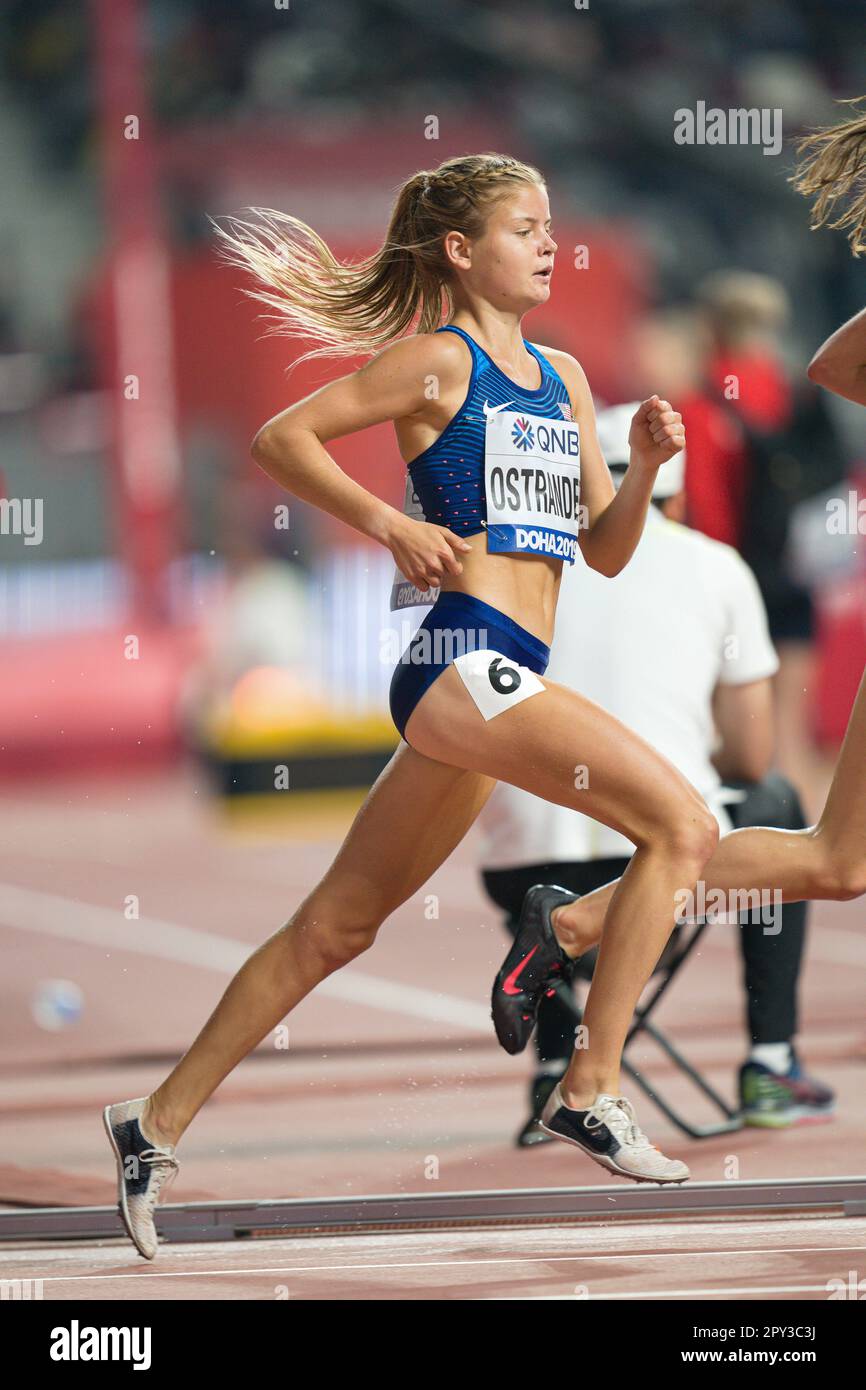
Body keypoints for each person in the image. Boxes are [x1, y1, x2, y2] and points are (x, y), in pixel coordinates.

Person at [102, 152, 865, 1263]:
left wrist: (646, 459)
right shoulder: (433, 364)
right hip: (462, 660)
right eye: (524, 227)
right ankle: (589, 1085)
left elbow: (601, 555)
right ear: (460, 250)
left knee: (335, 926)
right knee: (682, 824)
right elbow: (284, 438)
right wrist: (391, 525)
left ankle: (150, 1125)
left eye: (552, 223)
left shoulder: (557, 378)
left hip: (512, 673)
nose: (550, 244)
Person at [478, 402, 834, 1144]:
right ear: (673, 491)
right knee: (776, 800)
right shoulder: (716, 565)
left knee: (527, 812)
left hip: (521, 869)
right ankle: (770, 1058)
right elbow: (748, 754)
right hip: (660, 872)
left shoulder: (516, 569)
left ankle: (555, 1055)